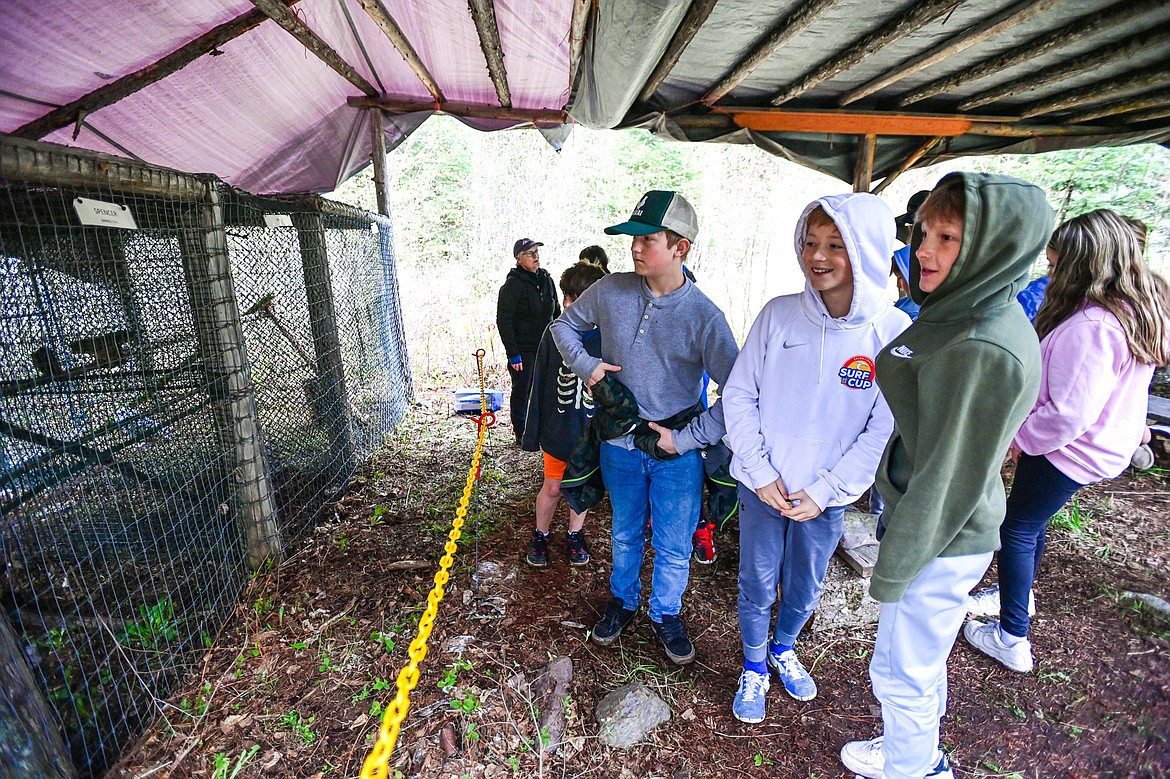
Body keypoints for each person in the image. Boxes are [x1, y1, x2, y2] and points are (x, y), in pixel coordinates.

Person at [840, 173, 1051, 779]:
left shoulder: (981, 345)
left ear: (996, 246)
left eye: (949, 237)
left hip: (941, 530)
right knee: (919, 661)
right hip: (941, 519)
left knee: (901, 668)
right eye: (923, 232)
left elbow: (948, 476)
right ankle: (915, 750)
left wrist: (896, 562)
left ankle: (914, 769)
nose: (924, 251)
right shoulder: (965, 308)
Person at [723, 193, 910, 723]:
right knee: (757, 579)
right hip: (763, 486)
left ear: (867, 251)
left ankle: (785, 647)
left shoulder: (890, 331)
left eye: (835, 245)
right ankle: (755, 665)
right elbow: (739, 395)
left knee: (805, 583)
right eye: (810, 242)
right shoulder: (779, 314)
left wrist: (825, 490)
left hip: (824, 497)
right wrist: (759, 473)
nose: (817, 256)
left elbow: (883, 427)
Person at [963, 209, 1169, 673]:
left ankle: (1011, 636)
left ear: (1084, 264)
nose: (1051, 273)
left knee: (1014, 527)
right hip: (1101, 445)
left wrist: (1018, 438)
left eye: (1057, 265)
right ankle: (1021, 595)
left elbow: (1069, 413)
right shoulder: (1134, 311)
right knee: (1030, 524)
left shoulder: (1092, 328)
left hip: (1070, 451)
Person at [550, 190, 738, 666]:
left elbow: (738, 394)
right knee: (625, 532)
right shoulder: (610, 290)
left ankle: (665, 613)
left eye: (647, 239)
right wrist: (588, 367)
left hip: (675, 453)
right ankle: (624, 600)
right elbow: (562, 327)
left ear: (681, 248)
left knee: (674, 543)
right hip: (617, 442)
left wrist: (690, 438)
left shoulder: (704, 317)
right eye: (632, 238)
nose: (635, 248)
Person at [520, 262, 607, 567]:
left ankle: (574, 534)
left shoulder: (608, 337)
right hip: (558, 429)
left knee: (580, 486)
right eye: (567, 299)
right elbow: (539, 383)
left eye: (578, 300)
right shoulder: (554, 333)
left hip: (590, 433)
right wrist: (533, 432)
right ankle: (540, 534)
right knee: (553, 487)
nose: (570, 306)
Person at [497, 238, 561, 443]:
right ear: (518, 258)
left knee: (547, 388)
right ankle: (521, 431)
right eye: (529, 253)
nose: (535, 256)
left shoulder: (546, 279)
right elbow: (504, 320)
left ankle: (541, 428)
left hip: (547, 346)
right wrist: (513, 353)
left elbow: (557, 311)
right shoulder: (513, 285)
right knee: (523, 390)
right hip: (523, 350)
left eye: (536, 252)